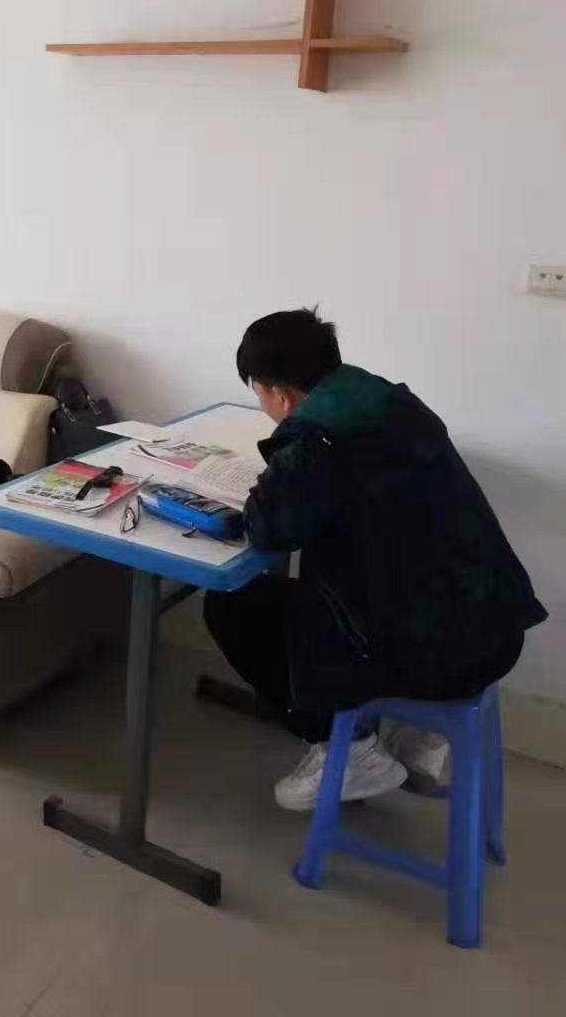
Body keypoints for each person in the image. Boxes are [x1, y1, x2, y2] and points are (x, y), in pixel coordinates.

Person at [203, 308, 546, 812]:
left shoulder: (316, 437)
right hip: (494, 627)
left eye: (259, 394)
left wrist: (271, 482)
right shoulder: (384, 397)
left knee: (232, 606)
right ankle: (418, 735)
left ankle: (349, 753)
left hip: (435, 651)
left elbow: (271, 528)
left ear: (279, 393)